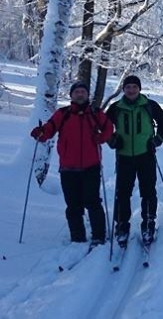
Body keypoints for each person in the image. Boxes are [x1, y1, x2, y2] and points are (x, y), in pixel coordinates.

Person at [30, 81, 114, 246]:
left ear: (87, 95)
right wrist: (41, 133)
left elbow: (109, 128)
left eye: (83, 91)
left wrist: (101, 138)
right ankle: (77, 237)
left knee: (93, 202)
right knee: (73, 205)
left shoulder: (96, 113)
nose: (80, 94)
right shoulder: (63, 114)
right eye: (77, 92)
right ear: (72, 95)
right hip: (68, 167)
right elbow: (49, 128)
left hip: (91, 166)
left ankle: (99, 235)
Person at [106, 75, 163, 246]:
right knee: (123, 193)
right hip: (124, 156)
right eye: (128, 87)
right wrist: (112, 140)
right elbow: (103, 126)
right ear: (124, 89)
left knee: (148, 191)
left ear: (139, 89)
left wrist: (157, 140)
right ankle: (122, 227)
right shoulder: (116, 107)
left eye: (134, 87)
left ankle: (148, 225)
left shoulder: (149, 105)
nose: (131, 90)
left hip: (146, 154)